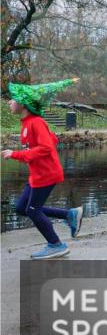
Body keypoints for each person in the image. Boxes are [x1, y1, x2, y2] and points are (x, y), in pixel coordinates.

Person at [2, 78, 83, 259]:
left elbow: (46, 147)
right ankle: (69, 215)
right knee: (22, 208)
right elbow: (51, 140)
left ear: (23, 104)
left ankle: (56, 244)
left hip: (46, 174)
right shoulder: (28, 122)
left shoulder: (35, 122)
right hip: (37, 174)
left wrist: (15, 154)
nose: (9, 101)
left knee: (32, 209)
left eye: (13, 99)